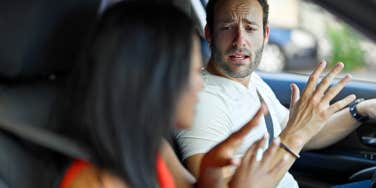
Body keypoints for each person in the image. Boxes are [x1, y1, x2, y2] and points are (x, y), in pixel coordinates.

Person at [58, 1, 292, 188]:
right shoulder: (94, 181)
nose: (200, 84)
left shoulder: (153, 147)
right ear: (153, 80)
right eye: (190, 72)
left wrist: (211, 181)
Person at [175, 0, 376, 187]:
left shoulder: (253, 81)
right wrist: (294, 136)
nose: (240, 40)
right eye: (227, 28)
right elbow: (215, 184)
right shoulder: (201, 100)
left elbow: (303, 133)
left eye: (250, 28)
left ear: (265, 34)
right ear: (209, 34)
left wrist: (360, 110)